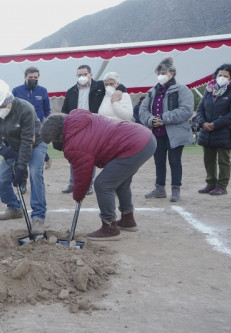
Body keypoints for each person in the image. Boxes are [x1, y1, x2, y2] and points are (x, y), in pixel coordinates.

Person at [41, 111, 156, 240]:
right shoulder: (76, 118)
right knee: (120, 182)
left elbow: (83, 174)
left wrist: (78, 195)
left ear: (58, 137)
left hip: (134, 144)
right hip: (143, 137)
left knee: (103, 184)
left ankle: (110, 228)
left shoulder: (74, 144)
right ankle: (127, 220)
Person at [0, 78, 47, 234]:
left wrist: (20, 169)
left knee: (34, 174)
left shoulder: (26, 109)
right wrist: (1, 149)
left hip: (35, 144)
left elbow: (27, 141)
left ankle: (38, 216)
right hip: (13, 147)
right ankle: (14, 207)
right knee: (1, 179)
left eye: (0, 105)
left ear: (8, 98)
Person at [61, 64, 126, 195]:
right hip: (75, 128)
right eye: (79, 75)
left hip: (93, 126)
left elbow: (120, 85)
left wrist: (119, 91)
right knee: (75, 156)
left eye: (84, 74)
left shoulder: (100, 86)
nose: (82, 77)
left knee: (91, 156)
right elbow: (64, 111)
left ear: (90, 74)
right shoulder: (71, 91)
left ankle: (88, 185)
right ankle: (73, 183)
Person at [139, 57, 194, 202]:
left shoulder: (182, 89)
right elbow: (142, 110)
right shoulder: (152, 92)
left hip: (175, 134)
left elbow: (186, 110)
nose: (160, 75)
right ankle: (160, 189)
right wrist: (151, 120)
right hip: (157, 133)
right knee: (159, 161)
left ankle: (176, 190)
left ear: (172, 73)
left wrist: (163, 118)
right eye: (159, 72)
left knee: (175, 161)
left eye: (163, 72)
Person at [196, 64, 231, 196]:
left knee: (224, 160)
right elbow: (200, 109)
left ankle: (222, 186)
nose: (222, 78)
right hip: (207, 132)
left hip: (224, 132)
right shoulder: (209, 89)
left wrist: (215, 124)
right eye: (220, 75)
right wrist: (202, 122)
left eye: (225, 76)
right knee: (208, 159)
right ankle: (210, 183)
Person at [12, 66, 52, 171]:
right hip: (21, 129)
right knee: (23, 154)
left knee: (38, 152)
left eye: (35, 77)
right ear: (25, 77)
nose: (33, 79)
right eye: (31, 77)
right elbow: (12, 110)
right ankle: (22, 180)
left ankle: (45, 160)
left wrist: (45, 122)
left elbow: (47, 110)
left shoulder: (43, 91)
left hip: (39, 129)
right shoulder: (16, 91)